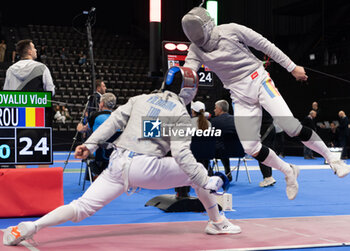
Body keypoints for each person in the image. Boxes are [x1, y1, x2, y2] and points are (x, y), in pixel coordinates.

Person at [3, 66, 241, 246]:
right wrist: (206, 179)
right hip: (146, 167)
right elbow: (181, 154)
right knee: (197, 172)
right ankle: (217, 222)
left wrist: (90, 144)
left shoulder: (140, 99)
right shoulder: (179, 112)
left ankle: (31, 227)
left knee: (81, 207)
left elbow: (114, 120)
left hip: (117, 163)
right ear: (189, 90)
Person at [181, 7, 350, 200]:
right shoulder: (195, 50)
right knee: (250, 147)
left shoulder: (231, 30)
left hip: (259, 80)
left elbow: (265, 45)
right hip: (238, 94)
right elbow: (189, 76)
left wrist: (292, 67)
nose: (198, 37)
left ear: (208, 25)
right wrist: (178, 95)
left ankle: (332, 159)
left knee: (291, 126)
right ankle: (288, 171)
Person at [77, 93, 117, 178]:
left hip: (99, 154)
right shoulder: (117, 117)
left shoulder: (95, 116)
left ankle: (97, 174)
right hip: (115, 154)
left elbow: (83, 129)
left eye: (100, 102)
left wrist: (79, 126)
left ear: (102, 104)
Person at [211, 100, 235, 181]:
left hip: (219, 151)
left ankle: (209, 171)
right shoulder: (236, 120)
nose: (214, 110)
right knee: (224, 146)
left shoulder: (214, 122)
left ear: (220, 109)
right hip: (237, 151)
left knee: (205, 145)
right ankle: (227, 171)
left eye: (215, 108)